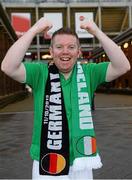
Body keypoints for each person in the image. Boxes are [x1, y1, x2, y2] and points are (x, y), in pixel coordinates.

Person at [1, 17, 130, 180]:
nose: (65, 51)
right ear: (51, 51)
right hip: (47, 157)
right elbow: (8, 66)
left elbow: (123, 66)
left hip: (81, 157)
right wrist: (33, 30)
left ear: (78, 51)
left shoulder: (89, 72)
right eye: (59, 47)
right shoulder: (40, 73)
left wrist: (97, 31)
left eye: (71, 47)